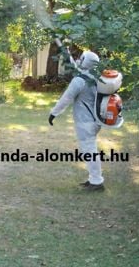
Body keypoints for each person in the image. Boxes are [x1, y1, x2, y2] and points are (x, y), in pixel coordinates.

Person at [48, 51, 104, 191]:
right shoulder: (95, 77)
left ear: (86, 61)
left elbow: (66, 98)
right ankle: (94, 179)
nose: (79, 60)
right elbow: (75, 66)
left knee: (89, 151)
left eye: (82, 58)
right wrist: (65, 51)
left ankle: (96, 182)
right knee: (90, 150)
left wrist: (54, 113)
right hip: (95, 120)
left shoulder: (80, 80)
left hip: (85, 121)